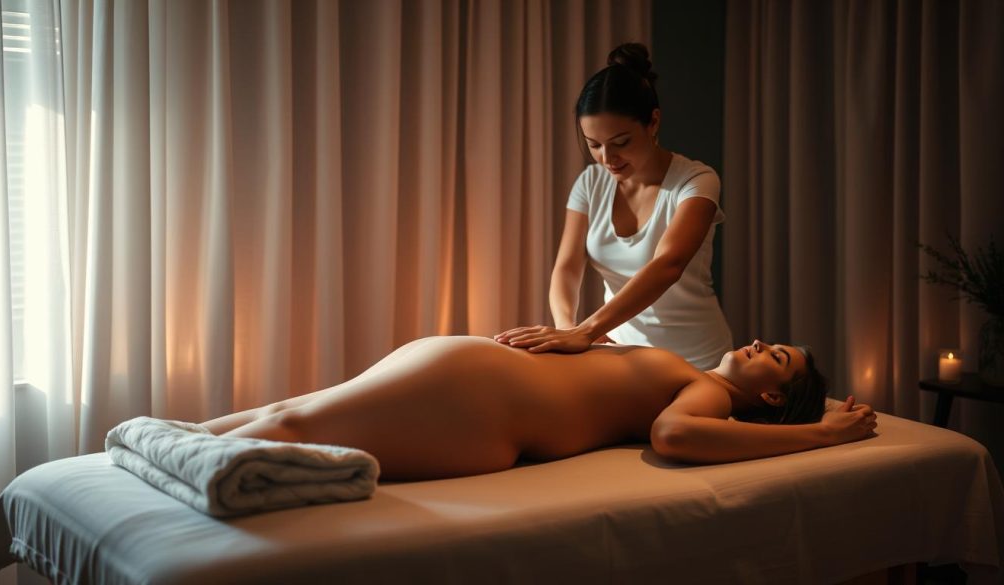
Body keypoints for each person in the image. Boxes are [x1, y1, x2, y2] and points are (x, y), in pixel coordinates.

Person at [202, 336, 877, 481]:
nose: (759, 342)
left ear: (769, 397)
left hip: (482, 400)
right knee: (289, 409)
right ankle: (162, 444)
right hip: (478, 384)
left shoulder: (710, 397)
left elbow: (674, 436)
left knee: (294, 421)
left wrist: (821, 434)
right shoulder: (687, 370)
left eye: (776, 357)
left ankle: (169, 451)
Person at [495, 43, 732, 369]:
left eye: (621, 143)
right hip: (623, 355)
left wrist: (588, 330)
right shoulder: (591, 184)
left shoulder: (697, 181)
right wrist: (568, 329)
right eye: (594, 145)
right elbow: (566, 268)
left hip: (697, 358)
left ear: (653, 122)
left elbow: (668, 265)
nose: (608, 159)